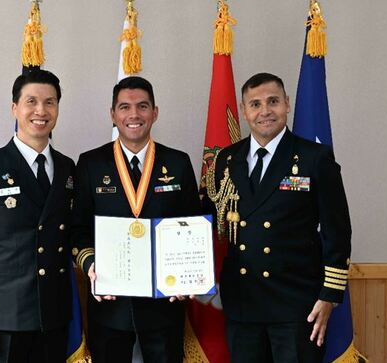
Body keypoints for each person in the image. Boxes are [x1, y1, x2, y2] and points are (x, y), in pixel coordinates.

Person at [206, 72, 351, 362]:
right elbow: (209, 222)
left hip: (296, 305)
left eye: (273, 101)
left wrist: (330, 295)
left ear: (287, 103)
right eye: (255, 104)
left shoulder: (314, 158)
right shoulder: (226, 160)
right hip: (243, 304)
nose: (265, 111)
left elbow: (337, 231)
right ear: (244, 110)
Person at [71, 76, 200, 363]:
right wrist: (91, 265)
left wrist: (187, 273)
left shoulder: (178, 162)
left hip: (165, 303)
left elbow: (193, 227)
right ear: (113, 114)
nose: (134, 115)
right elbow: (78, 229)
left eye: (142, 106)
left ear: (155, 112)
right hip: (110, 305)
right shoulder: (91, 164)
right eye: (125, 107)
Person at [0, 69, 75, 363]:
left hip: (54, 313)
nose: (41, 111)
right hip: (4, 318)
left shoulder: (67, 168)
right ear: (15, 108)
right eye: (31, 101)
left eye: (50, 102)